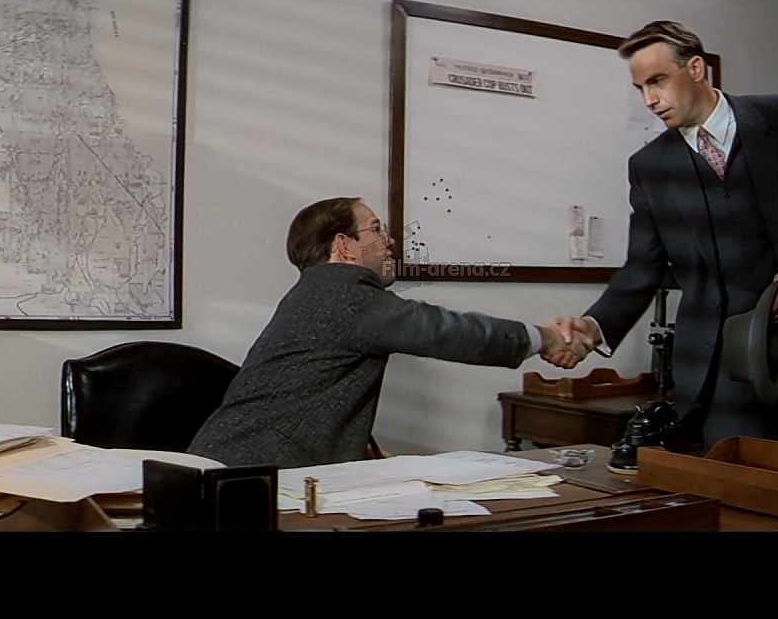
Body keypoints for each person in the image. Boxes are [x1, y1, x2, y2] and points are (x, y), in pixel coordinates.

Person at [546, 20, 778, 449]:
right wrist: (592, 327)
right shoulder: (649, 167)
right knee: (732, 477)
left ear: (696, 69)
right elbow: (643, 265)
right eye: (640, 88)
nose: (649, 100)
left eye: (658, 81)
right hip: (723, 363)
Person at [188, 196, 593, 469]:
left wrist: (363, 450)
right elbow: (447, 332)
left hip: (237, 469)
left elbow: (312, 391)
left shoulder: (314, 294)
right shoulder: (343, 293)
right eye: (376, 230)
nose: (390, 241)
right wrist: (544, 338)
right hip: (249, 481)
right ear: (344, 245)